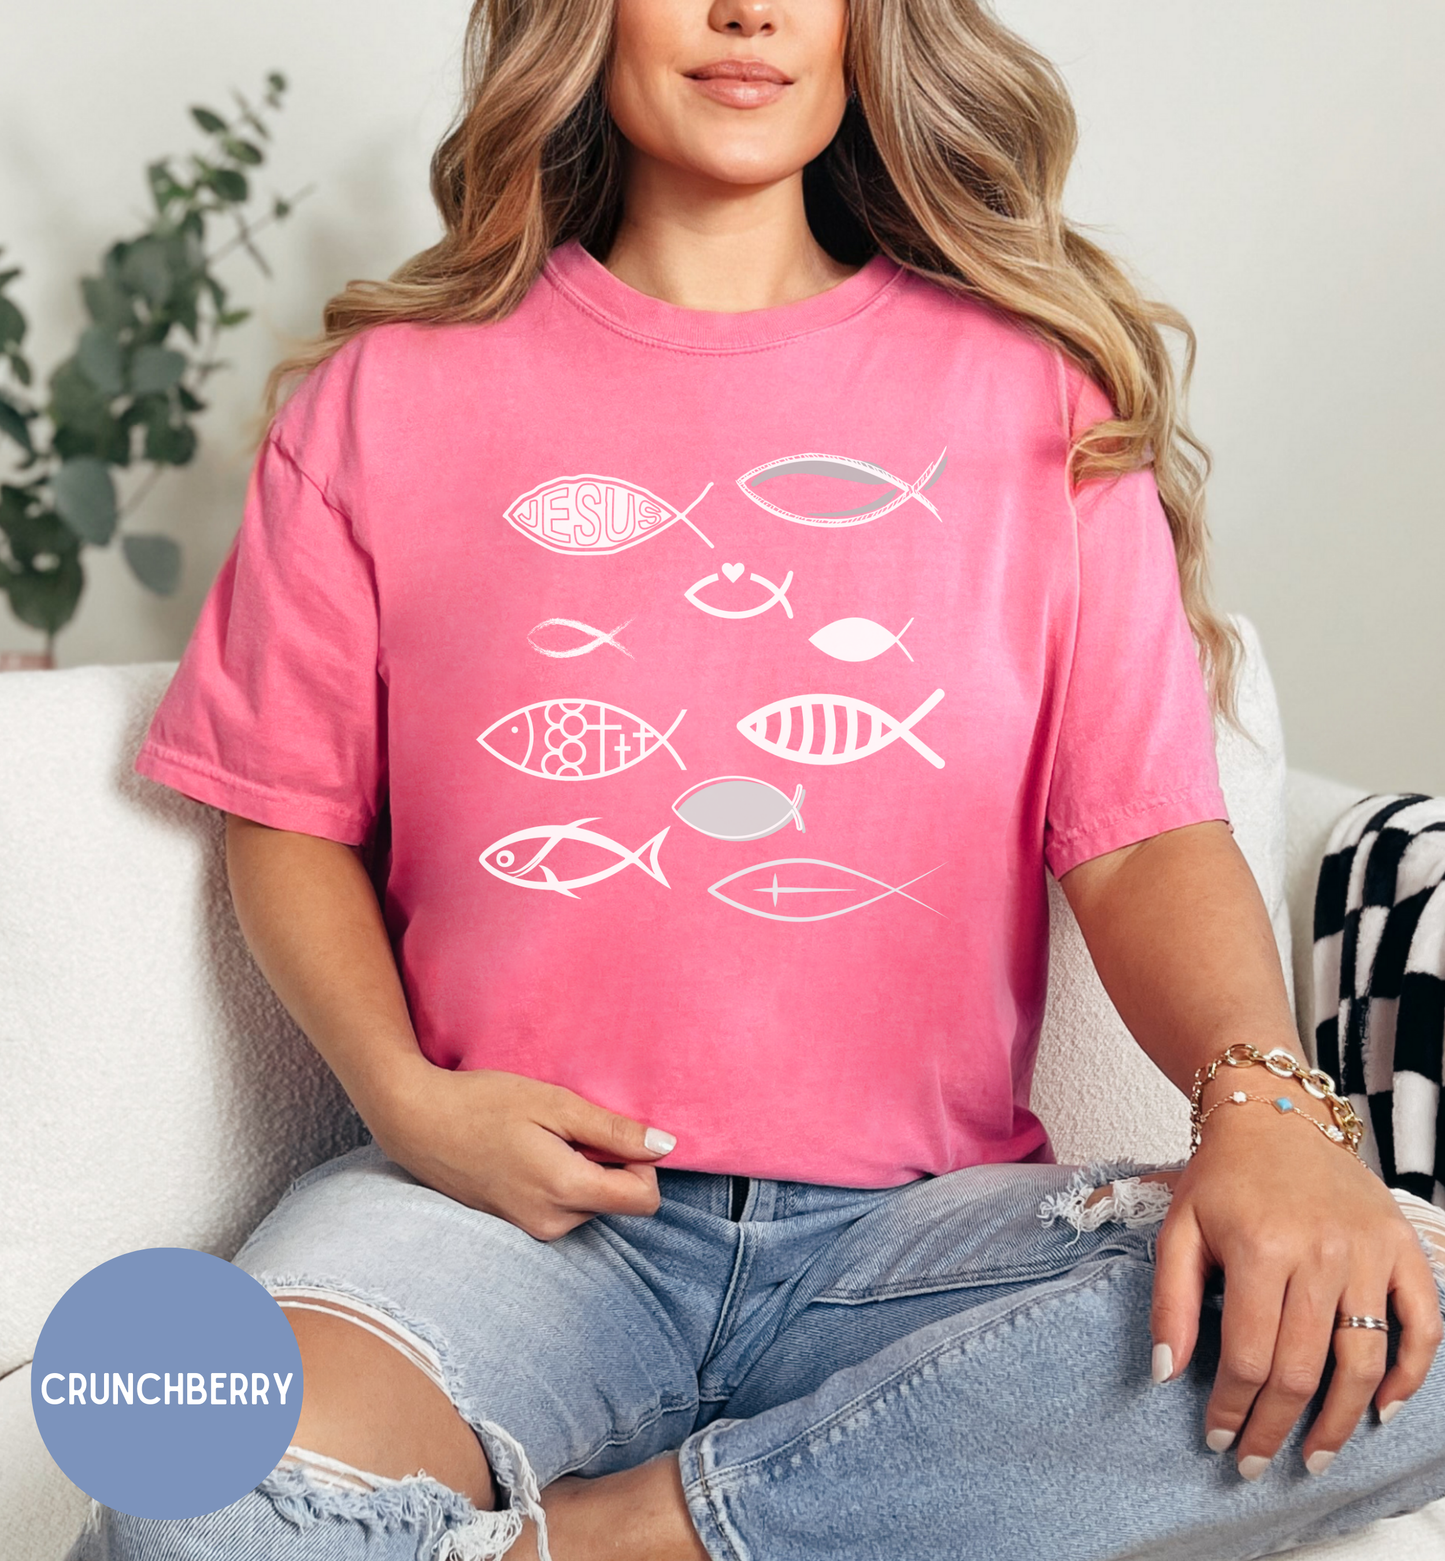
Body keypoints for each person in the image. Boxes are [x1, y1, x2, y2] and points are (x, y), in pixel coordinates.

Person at [75, 3, 1445, 1558]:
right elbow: (286, 814)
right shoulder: (386, 398)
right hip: (505, 1223)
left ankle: (626, 1535)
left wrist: (1271, 1115)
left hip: (904, 1251)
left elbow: (1138, 841)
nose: (748, 10)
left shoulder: (1036, 402)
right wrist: (410, 1101)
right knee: (172, 1448)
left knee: (1418, 1321)